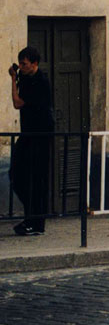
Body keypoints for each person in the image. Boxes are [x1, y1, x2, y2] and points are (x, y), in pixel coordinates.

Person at [9, 47, 54, 236]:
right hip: (28, 135)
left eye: (24, 64)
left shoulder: (41, 82)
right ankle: (32, 219)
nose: (21, 67)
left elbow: (17, 103)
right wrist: (17, 77)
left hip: (40, 137)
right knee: (17, 176)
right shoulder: (27, 79)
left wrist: (12, 79)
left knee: (37, 180)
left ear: (34, 64)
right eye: (20, 63)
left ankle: (36, 223)